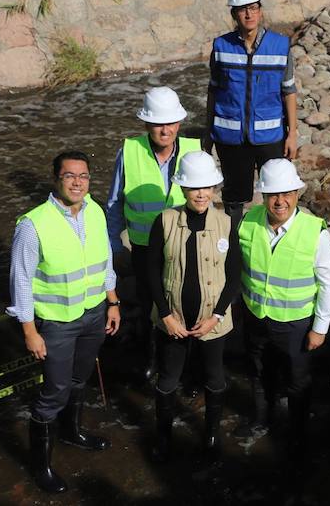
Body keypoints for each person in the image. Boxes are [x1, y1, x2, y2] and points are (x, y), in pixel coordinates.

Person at [8, 151, 121, 493]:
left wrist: (112, 302)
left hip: (94, 314)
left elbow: (105, 261)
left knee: (78, 380)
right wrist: (29, 331)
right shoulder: (33, 224)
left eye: (83, 176)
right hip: (56, 323)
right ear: (56, 179)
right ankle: (39, 465)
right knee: (52, 393)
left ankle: (72, 433)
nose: (77, 182)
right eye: (70, 176)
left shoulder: (97, 211)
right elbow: (21, 281)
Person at [237, 158, 330, 459]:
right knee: (258, 373)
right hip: (256, 316)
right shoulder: (248, 222)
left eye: (286, 194)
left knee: (297, 381)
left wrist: (320, 328)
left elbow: (328, 284)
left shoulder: (315, 232)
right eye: (273, 195)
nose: (280, 201)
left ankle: (297, 433)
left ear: (296, 194)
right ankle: (262, 419)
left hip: (295, 323)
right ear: (264, 196)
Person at [145, 151, 241, 462]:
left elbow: (235, 275)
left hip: (212, 323)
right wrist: (165, 314)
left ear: (214, 189)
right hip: (172, 321)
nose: (200, 193)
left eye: (206, 187)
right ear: (183, 189)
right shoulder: (165, 220)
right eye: (193, 187)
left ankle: (211, 433)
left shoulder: (227, 224)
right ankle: (163, 435)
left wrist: (216, 316)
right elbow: (151, 270)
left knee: (215, 377)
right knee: (168, 379)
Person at [105, 86, 200, 381]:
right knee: (150, 304)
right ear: (146, 123)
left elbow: (205, 201)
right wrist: (112, 248)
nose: (166, 129)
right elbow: (114, 203)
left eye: (171, 122)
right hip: (144, 247)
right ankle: (152, 356)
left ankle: (188, 365)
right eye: (159, 122)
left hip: (183, 244)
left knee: (186, 302)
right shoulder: (130, 152)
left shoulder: (194, 153)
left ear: (179, 123)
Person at [203, 0, 298, 227]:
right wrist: (208, 131)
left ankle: (272, 235)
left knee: (276, 190)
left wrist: (293, 134)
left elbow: (289, 90)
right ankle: (235, 240)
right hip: (230, 139)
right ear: (234, 13)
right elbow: (213, 90)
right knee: (235, 197)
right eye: (243, 9)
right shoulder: (221, 46)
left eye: (253, 7)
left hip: (271, 138)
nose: (249, 14)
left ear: (260, 9)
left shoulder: (280, 46)